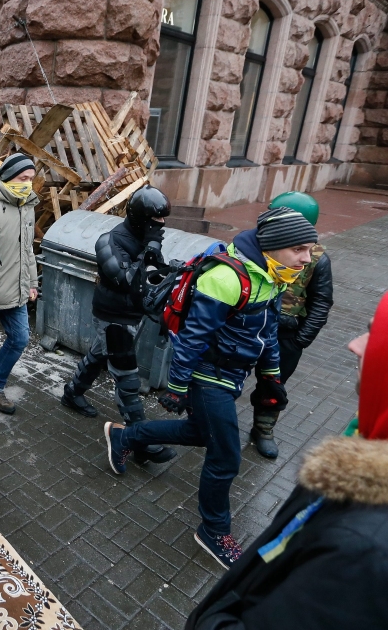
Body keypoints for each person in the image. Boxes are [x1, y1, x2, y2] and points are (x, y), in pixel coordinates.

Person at [105, 207, 318, 569]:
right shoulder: (227, 278)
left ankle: (125, 438)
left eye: (309, 249)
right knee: (226, 455)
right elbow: (192, 338)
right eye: (299, 249)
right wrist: (176, 386)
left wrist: (272, 376)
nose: (305, 258)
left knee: (199, 432)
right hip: (208, 376)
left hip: (233, 372)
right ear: (273, 246)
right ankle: (213, 530)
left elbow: (266, 332)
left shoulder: (272, 276)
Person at [186, 291, 388, 629]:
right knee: (214, 446)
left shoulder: (364, 551)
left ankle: (211, 527)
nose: (354, 344)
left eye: (376, 336)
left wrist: (213, 619)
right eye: (298, 249)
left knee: (217, 449)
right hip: (211, 380)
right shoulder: (358, 452)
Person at [60, 185, 176, 465]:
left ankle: (72, 393)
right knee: (126, 376)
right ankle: (141, 441)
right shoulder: (109, 240)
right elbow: (124, 280)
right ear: (140, 217)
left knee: (100, 352)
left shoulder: (146, 237)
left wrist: (164, 266)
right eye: (155, 220)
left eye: (163, 220)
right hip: (113, 314)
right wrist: (148, 251)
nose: (160, 226)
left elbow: (150, 278)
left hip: (132, 314)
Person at [251, 191, 333, 459]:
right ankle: (215, 422)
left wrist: (301, 339)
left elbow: (322, 301)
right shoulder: (256, 245)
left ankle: (263, 429)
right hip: (249, 327)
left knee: (273, 385)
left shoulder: (317, 258)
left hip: (286, 335)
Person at [0, 153, 38, 417]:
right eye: (22, 178)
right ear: (7, 177)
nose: (27, 183)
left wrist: (32, 282)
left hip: (18, 290)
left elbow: (28, 250)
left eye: (31, 179)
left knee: (20, 338)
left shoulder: (28, 205)